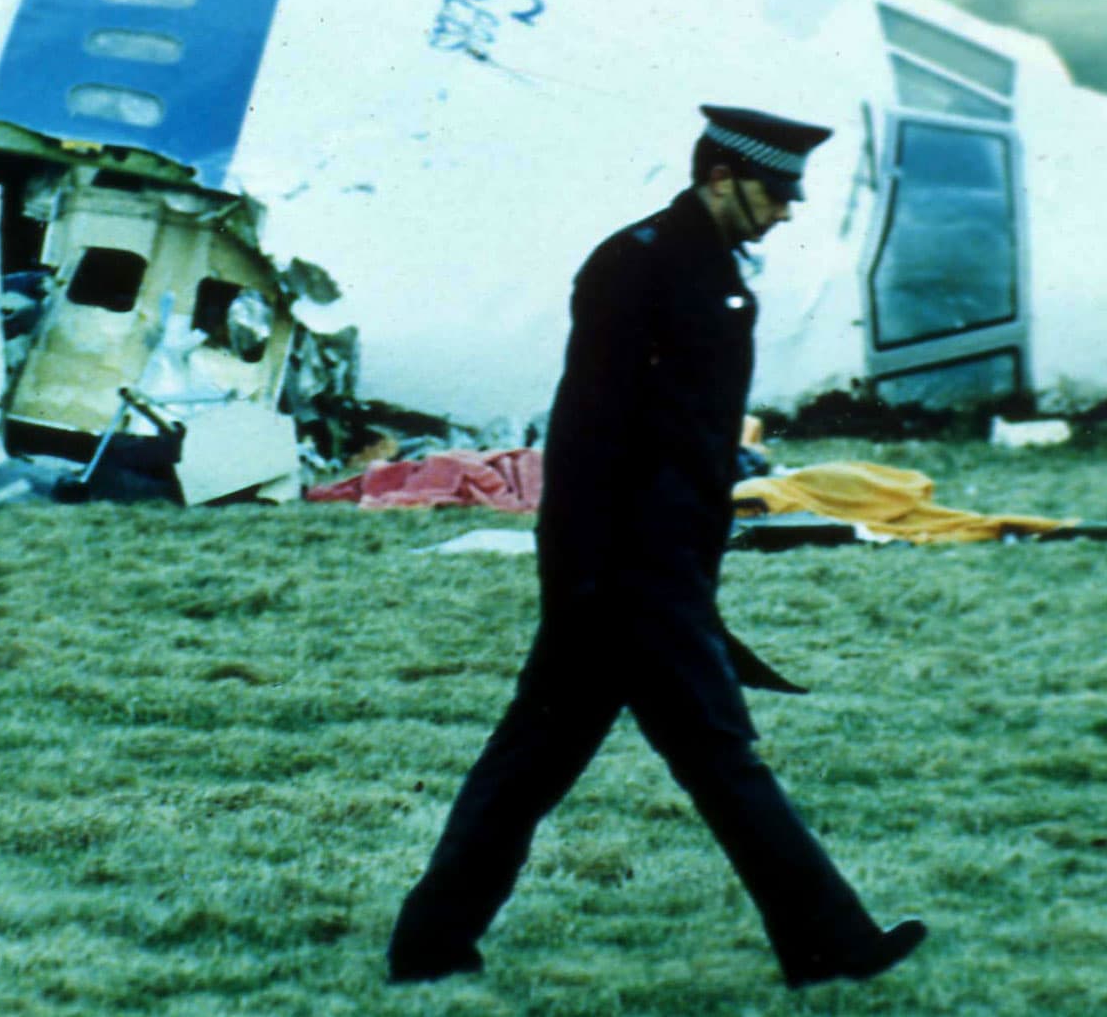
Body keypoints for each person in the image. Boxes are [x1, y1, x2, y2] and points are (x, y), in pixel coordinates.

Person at [386, 104, 927, 990]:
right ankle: (830, 942)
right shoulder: (636, 267)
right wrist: (597, 581)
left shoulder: (705, 269)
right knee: (719, 754)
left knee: (533, 762)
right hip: (630, 571)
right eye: (778, 189)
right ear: (723, 177)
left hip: (651, 566)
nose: (788, 209)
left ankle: (430, 943)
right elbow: (591, 433)